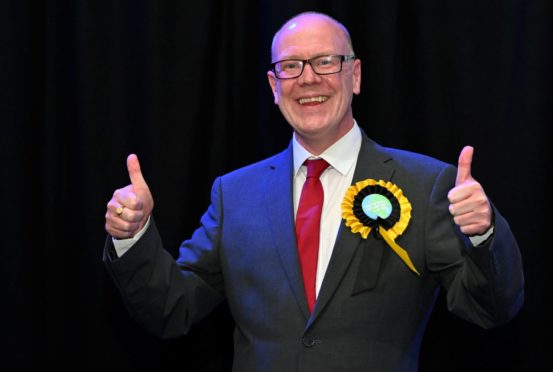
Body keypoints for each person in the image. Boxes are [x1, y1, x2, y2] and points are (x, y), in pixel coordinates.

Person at [104, 11, 524, 371]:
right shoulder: (234, 194)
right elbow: (171, 308)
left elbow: (490, 307)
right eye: (291, 66)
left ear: (354, 75)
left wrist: (483, 234)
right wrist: (132, 237)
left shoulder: (424, 183)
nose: (308, 79)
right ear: (273, 85)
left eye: (326, 61)